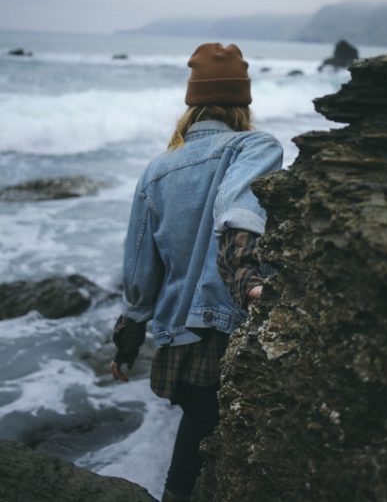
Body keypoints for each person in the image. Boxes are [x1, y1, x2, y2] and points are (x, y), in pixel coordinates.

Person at [111, 43, 283, 502]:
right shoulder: (256, 145)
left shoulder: (157, 169)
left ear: (194, 105)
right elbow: (236, 212)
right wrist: (248, 279)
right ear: (241, 104)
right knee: (207, 454)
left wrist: (129, 335)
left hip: (174, 338)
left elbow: (139, 267)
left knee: (197, 437)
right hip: (223, 326)